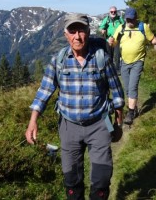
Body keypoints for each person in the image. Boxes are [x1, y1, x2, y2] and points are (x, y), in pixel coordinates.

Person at [25, 13, 125, 200]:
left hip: (99, 125)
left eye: (81, 30)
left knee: (102, 180)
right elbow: (44, 92)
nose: (77, 36)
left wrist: (118, 123)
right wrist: (33, 121)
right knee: (71, 181)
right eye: (72, 31)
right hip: (69, 126)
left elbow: (117, 92)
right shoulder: (59, 61)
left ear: (88, 32)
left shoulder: (101, 58)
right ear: (65, 34)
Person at [108, 7, 156, 125]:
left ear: (136, 18)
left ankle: (131, 113)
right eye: (128, 20)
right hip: (124, 62)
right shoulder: (121, 28)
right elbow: (114, 42)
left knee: (132, 87)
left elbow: (151, 39)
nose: (130, 22)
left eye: (132, 19)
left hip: (138, 61)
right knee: (127, 88)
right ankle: (134, 107)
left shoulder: (143, 27)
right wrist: (111, 42)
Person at [98, 6, 124, 74]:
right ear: (109, 12)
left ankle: (117, 70)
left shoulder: (120, 19)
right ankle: (109, 70)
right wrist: (102, 30)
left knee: (117, 55)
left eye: (114, 11)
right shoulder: (106, 19)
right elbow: (100, 27)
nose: (113, 13)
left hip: (117, 39)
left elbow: (124, 26)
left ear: (116, 12)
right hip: (108, 39)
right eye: (111, 12)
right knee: (109, 55)